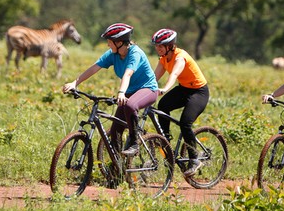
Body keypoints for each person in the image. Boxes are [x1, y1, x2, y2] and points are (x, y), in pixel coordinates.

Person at [62, 23, 158, 156]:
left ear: (119, 42)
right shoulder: (113, 54)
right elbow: (94, 68)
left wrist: (121, 92)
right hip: (129, 91)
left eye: (109, 42)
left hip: (148, 89)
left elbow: (127, 74)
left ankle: (135, 143)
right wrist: (75, 83)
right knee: (115, 131)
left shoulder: (135, 53)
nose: (108, 45)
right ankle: (117, 169)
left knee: (130, 105)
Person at [151, 28, 209, 177]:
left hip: (198, 92)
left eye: (160, 46)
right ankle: (166, 141)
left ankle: (194, 158)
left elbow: (175, 74)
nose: (157, 48)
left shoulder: (180, 57)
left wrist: (164, 89)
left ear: (170, 46)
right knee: (163, 105)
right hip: (184, 89)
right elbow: (152, 78)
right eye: (156, 46)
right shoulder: (163, 59)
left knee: (185, 123)